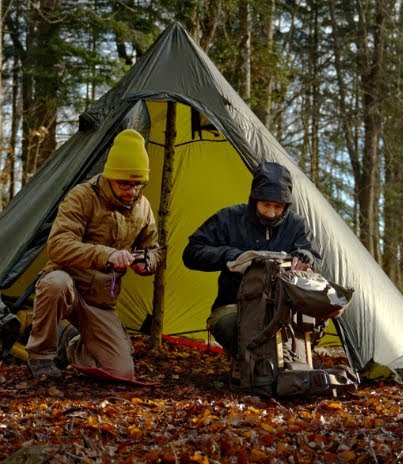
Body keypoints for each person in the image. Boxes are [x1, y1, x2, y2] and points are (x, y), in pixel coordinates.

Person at [25, 129, 162, 379]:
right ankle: (41, 356)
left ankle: (71, 345)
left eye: (138, 184)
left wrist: (147, 261)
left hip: (100, 301)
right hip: (68, 284)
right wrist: (105, 255)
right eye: (125, 183)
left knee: (120, 372)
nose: (132, 191)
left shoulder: (143, 208)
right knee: (55, 284)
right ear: (110, 177)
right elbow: (57, 245)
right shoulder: (82, 196)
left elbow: (154, 249)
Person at [182, 161, 320, 354]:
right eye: (266, 205)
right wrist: (231, 257)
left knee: (315, 317)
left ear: (287, 205)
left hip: (284, 309)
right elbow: (191, 252)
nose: (272, 213)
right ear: (254, 199)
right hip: (234, 305)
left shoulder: (296, 225)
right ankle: (243, 365)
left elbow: (315, 258)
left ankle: (288, 367)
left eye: (278, 207)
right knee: (230, 325)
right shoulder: (230, 218)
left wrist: (307, 257)